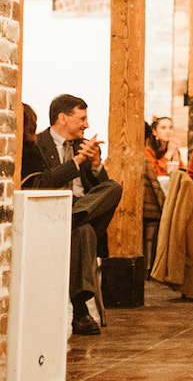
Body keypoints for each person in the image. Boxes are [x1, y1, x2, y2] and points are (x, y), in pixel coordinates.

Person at [27, 94, 123, 335]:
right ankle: (81, 312)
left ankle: (75, 218)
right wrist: (77, 161)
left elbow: (102, 188)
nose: (87, 125)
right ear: (63, 118)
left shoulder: (83, 146)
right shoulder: (37, 145)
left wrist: (95, 163)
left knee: (113, 188)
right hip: (50, 214)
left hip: (79, 210)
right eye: (82, 118)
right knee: (84, 231)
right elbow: (42, 183)